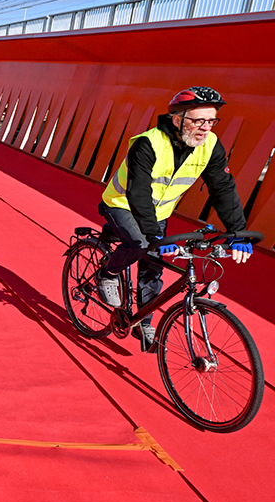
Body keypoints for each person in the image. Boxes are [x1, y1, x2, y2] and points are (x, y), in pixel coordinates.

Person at [97, 86, 252, 351]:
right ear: (177, 118)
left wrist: (238, 233)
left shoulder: (210, 145)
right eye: (198, 120)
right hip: (122, 204)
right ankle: (108, 272)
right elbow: (139, 192)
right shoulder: (148, 143)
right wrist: (154, 235)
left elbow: (223, 188)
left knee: (153, 267)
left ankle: (144, 319)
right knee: (140, 245)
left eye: (211, 121)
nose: (205, 128)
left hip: (159, 212)